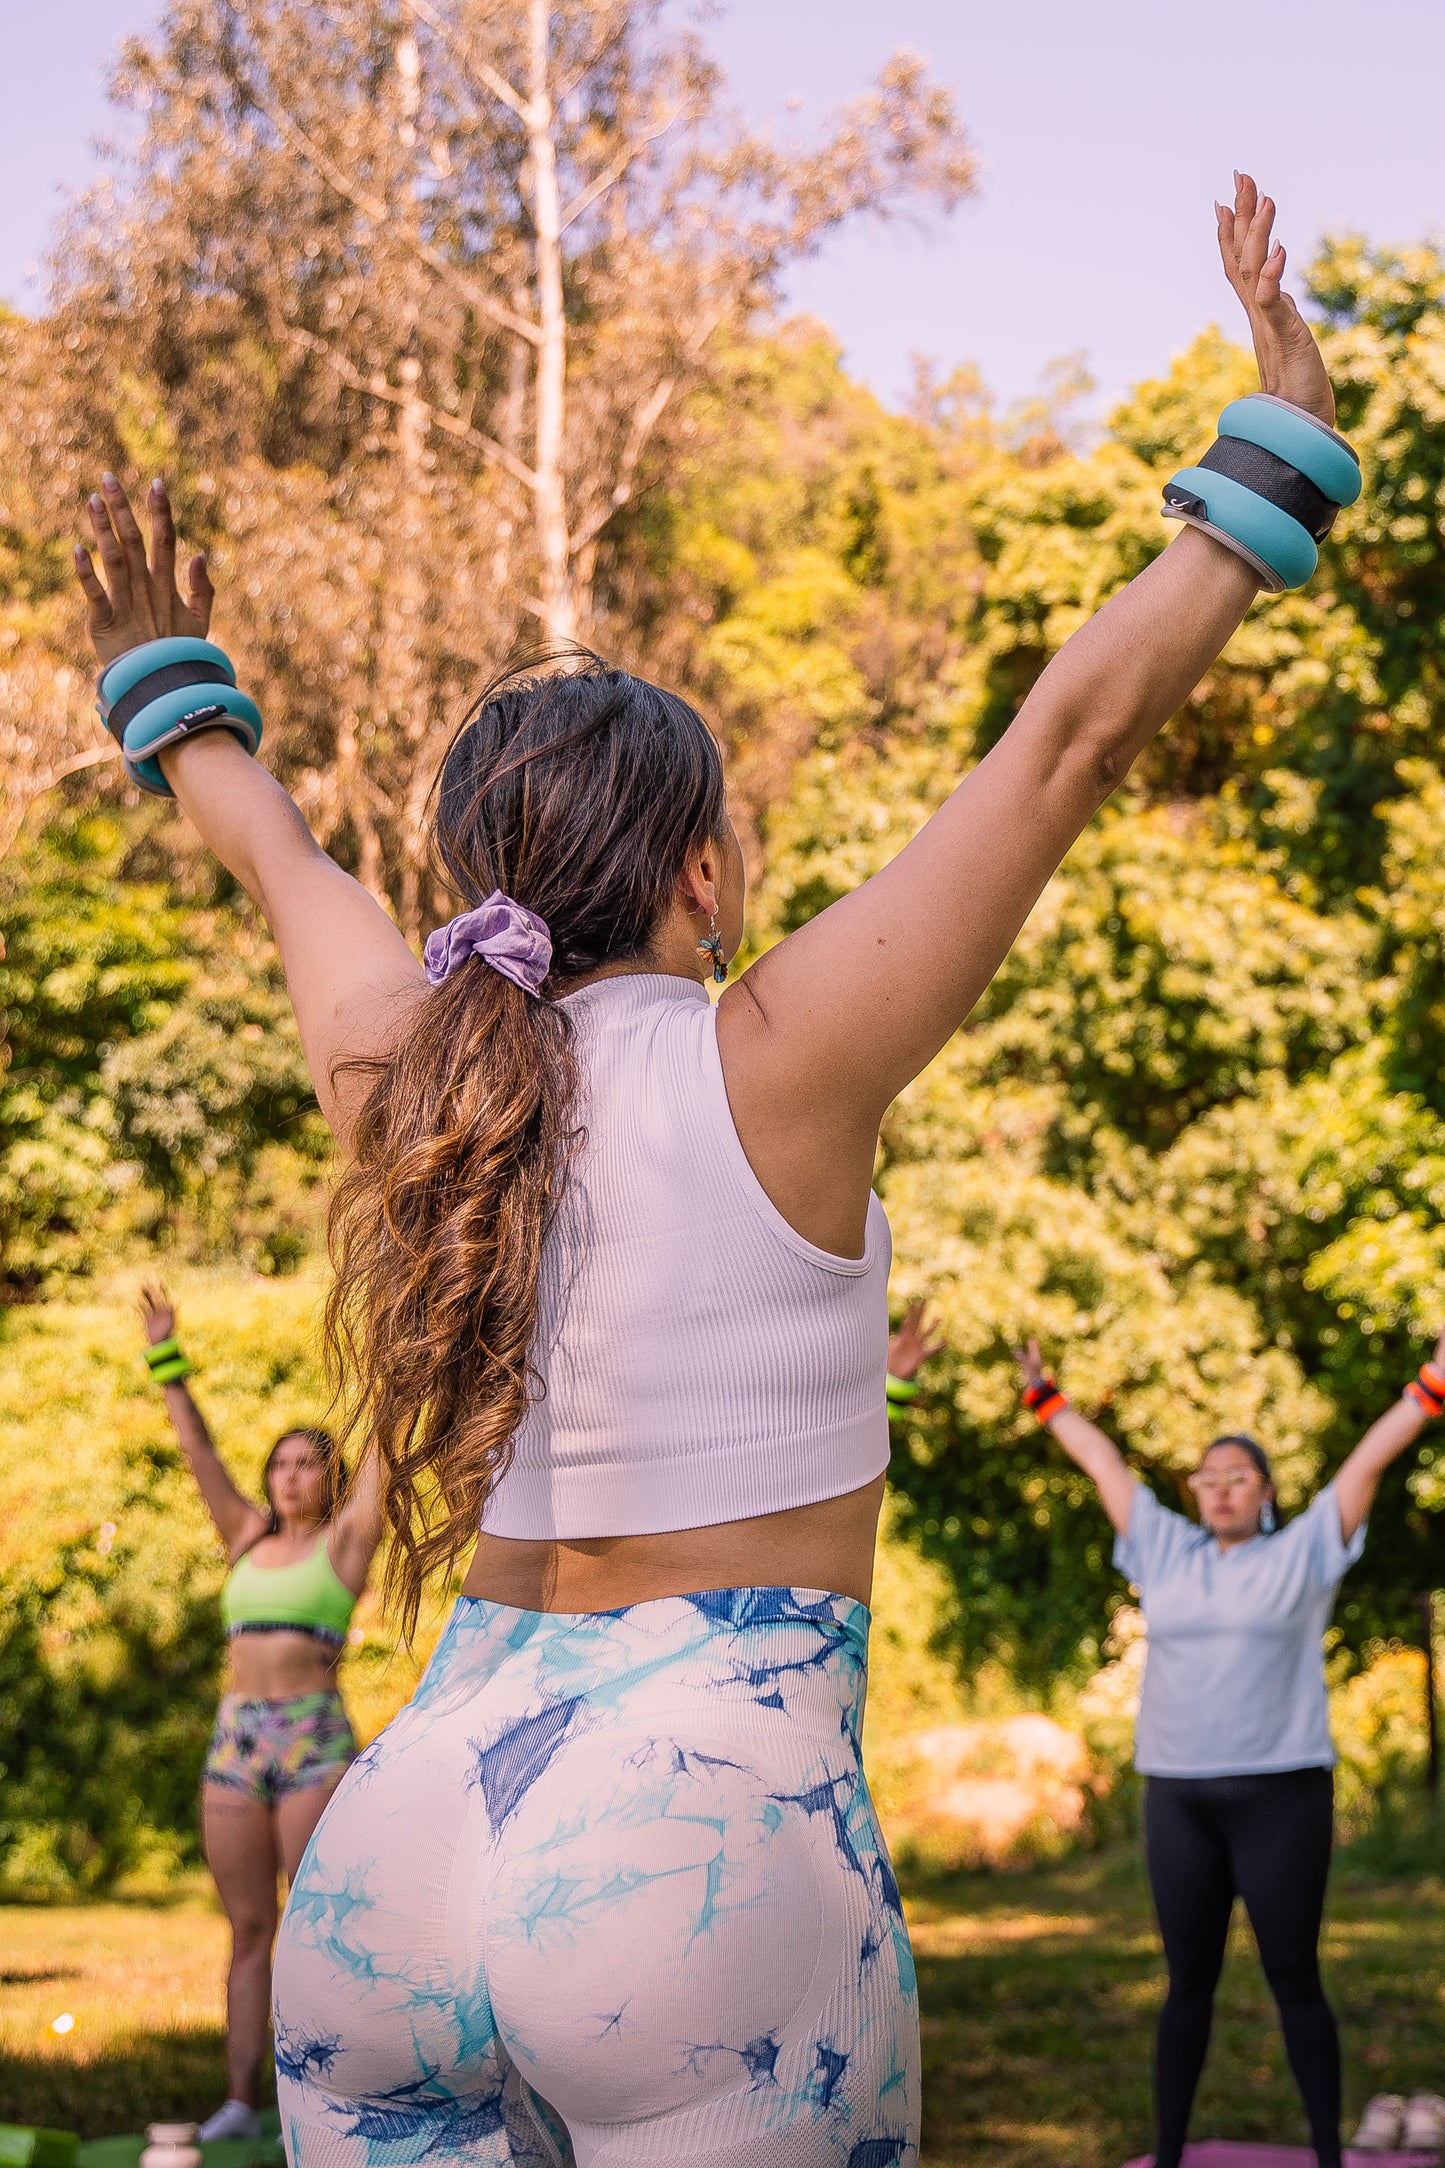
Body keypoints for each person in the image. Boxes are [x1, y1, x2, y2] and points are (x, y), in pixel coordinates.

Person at [76, 177, 1345, 2167]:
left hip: (403, 1853)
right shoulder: (775, 1060)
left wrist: (168, 680)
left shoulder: (410, 1075)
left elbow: (277, 857)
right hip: (693, 1846)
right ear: (694, 872)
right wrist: (1273, 439)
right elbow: (1059, 746)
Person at [1013, 1330, 1445, 2168]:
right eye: (1205, 1480)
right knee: (1186, 1990)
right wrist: (1045, 1397)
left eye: (1235, 1478)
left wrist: (1430, 1384)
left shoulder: (1304, 1552)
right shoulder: (1163, 1549)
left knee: (1293, 1979)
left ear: (1266, 1493)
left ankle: (1327, 2154)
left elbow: (1365, 1463)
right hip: (1177, 1796)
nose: (1217, 1490)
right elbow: (1104, 1466)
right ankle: (1168, 2156)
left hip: (1280, 1794)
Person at [137, 1286, 382, 2145]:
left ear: (331, 1480)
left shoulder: (345, 1544)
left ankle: (320, 2104)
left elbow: (388, 1445)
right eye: (280, 1463)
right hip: (237, 1741)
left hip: (314, 1738)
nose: (289, 1475)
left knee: (315, 1927)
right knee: (247, 1928)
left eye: (307, 1462)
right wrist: (167, 1357)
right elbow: (196, 1447)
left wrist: (396, 1343)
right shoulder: (242, 1533)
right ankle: (241, 2100)